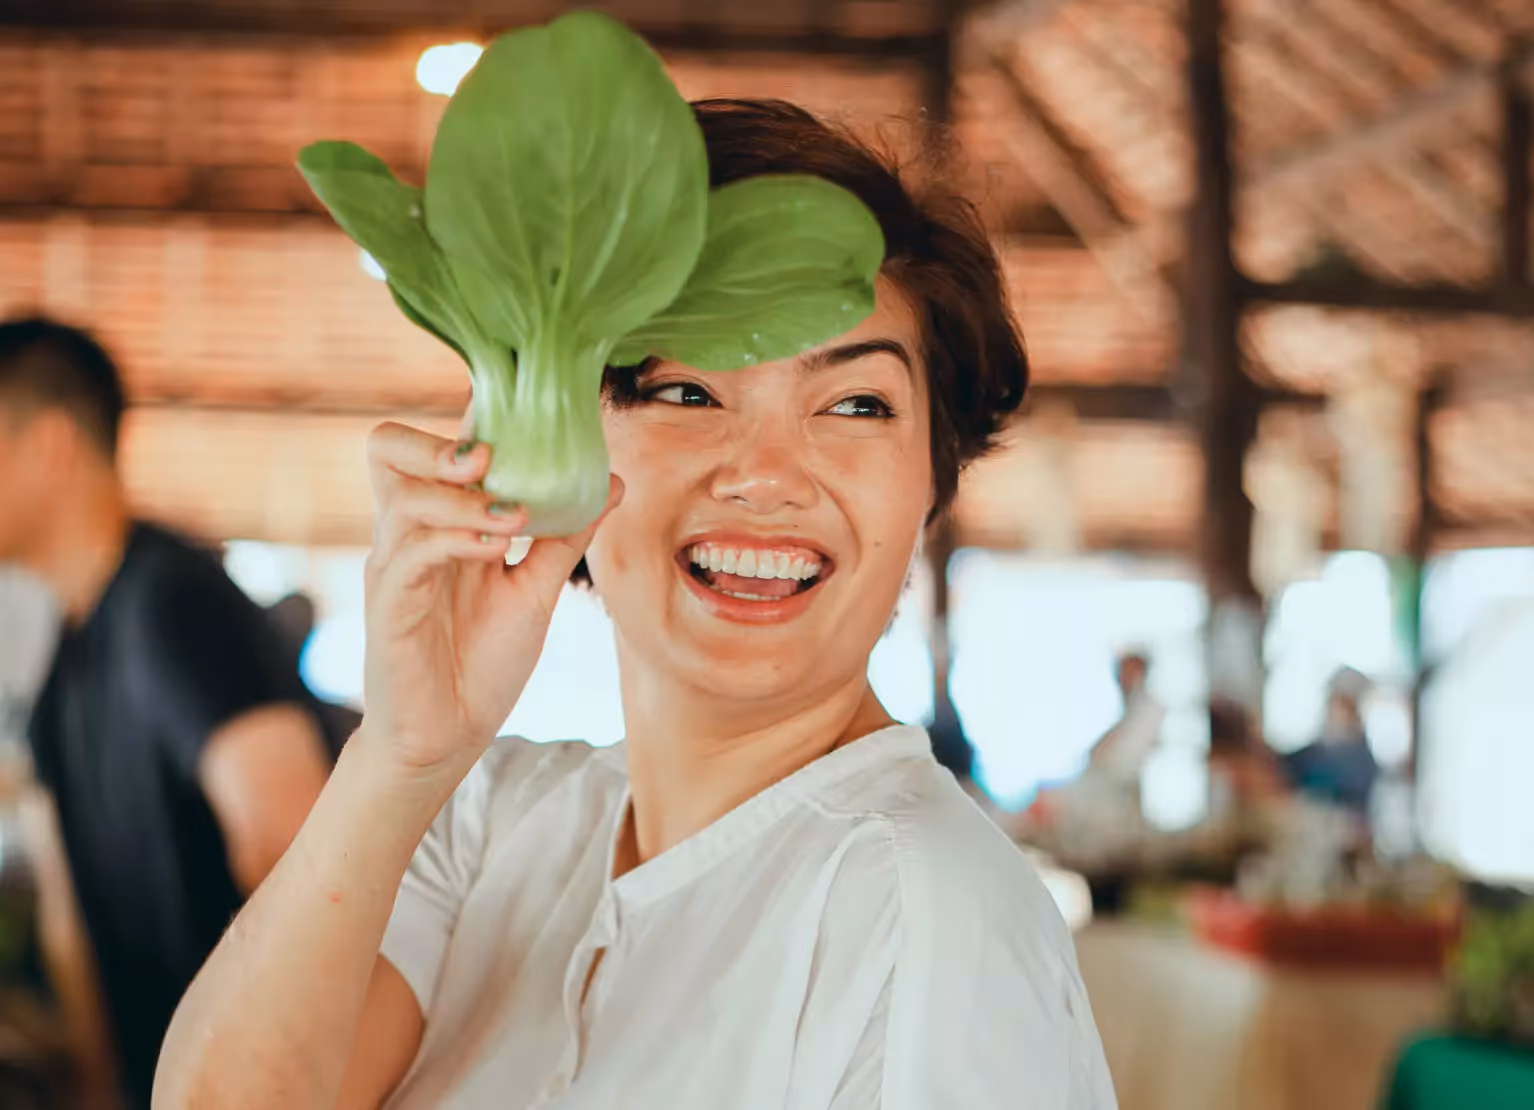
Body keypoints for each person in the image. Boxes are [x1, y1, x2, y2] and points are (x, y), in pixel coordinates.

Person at [156, 99, 1117, 1109]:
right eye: (685, 392)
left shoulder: (925, 914)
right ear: (566, 439)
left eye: (854, 404)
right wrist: (399, 760)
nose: (764, 476)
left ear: (933, 476)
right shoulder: (486, 820)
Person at [0, 317, 335, 1110]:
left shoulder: (173, 602)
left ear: (50, 447)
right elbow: (69, 912)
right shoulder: (64, 665)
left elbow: (295, 852)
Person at [1283, 666, 1380, 817]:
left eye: (1345, 704)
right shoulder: (1314, 753)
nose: (1335, 711)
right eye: (1333, 702)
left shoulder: (1361, 761)